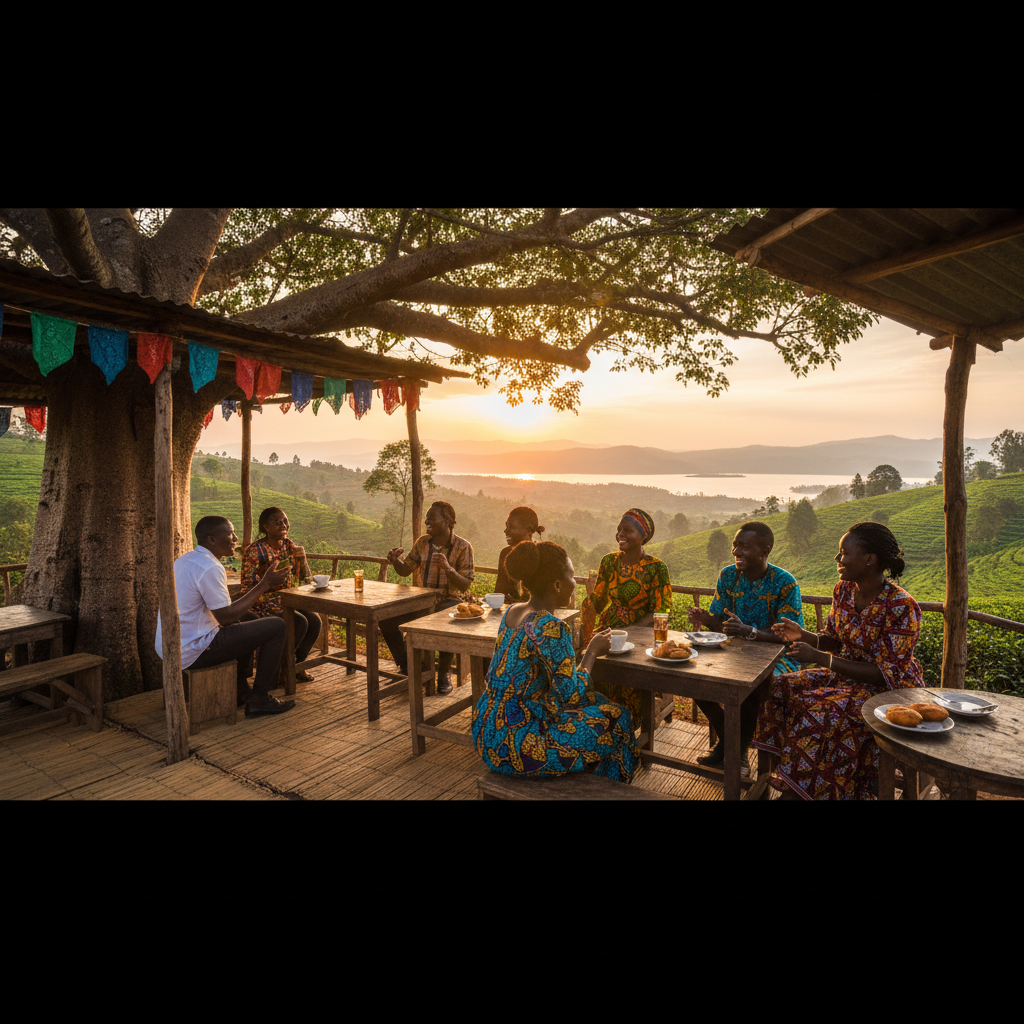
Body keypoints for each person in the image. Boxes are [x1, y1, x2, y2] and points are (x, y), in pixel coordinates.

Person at [755, 521, 924, 800]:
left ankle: (809, 789)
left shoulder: (901, 606)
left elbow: (887, 672)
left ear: (870, 560)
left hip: (889, 690)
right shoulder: (843, 590)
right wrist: (806, 636)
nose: (838, 559)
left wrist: (820, 658)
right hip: (845, 676)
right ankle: (786, 773)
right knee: (777, 688)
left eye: (844, 553)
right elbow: (834, 639)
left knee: (821, 712)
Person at [472, 539, 640, 782]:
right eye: (572, 576)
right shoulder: (551, 627)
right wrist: (591, 652)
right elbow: (570, 695)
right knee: (620, 718)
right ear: (558, 585)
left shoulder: (512, 612)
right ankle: (606, 788)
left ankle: (590, 783)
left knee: (600, 702)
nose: (575, 582)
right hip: (517, 744)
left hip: (486, 729)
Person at [688, 521, 804, 776]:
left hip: (778, 656)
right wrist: (707, 619)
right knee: (692, 671)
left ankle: (734, 752)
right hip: (734, 651)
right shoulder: (728, 575)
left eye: (745, 547)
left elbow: (789, 636)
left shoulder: (785, 583)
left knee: (753, 685)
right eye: (735, 545)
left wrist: (749, 631)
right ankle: (731, 739)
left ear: (765, 550)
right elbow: (721, 621)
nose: (736, 552)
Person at [155, 516, 296, 717]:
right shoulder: (210, 567)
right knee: (277, 627)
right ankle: (260, 699)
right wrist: (265, 584)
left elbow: (224, 610)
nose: (236, 538)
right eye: (230, 534)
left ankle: (239, 689)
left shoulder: (188, 559)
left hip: (172, 644)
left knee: (250, 619)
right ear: (211, 540)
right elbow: (226, 618)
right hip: (192, 650)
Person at [579, 507, 671, 730]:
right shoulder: (609, 562)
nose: (620, 534)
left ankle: (630, 726)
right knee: (598, 671)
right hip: (611, 629)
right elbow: (599, 603)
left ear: (642, 536)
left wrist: (643, 635)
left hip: (642, 634)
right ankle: (603, 724)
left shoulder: (656, 568)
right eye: (619, 529)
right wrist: (590, 600)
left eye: (628, 530)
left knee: (633, 679)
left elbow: (662, 611)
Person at [380, 500, 474, 695]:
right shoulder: (423, 543)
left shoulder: (463, 547)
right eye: (426, 519)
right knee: (386, 618)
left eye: (431, 519)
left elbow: (465, 584)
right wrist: (395, 561)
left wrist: (448, 569)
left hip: (449, 601)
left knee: (446, 620)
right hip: (420, 600)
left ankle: (443, 673)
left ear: (447, 521)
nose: (426, 522)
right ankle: (408, 667)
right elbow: (406, 570)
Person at [239, 507, 319, 683]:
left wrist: (303, 563)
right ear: (266, 527)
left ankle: (296, 665)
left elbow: (305, 578)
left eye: (285, 521)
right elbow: (247, 587)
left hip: (287, 600)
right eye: (278, 522)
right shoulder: (254, 551)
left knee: (314, 621)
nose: (283, 524)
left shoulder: (290, 545)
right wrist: (267, 583)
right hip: (262, 603)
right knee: (299, 622)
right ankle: (277, 671)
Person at [495, 506, 545, 604]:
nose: (506, 531)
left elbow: (545, 599)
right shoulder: (505, 554)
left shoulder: (542, 555)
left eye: (511, 527)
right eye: (506, 526)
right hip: (512, 613)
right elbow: (499, 592)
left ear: (529, 529)